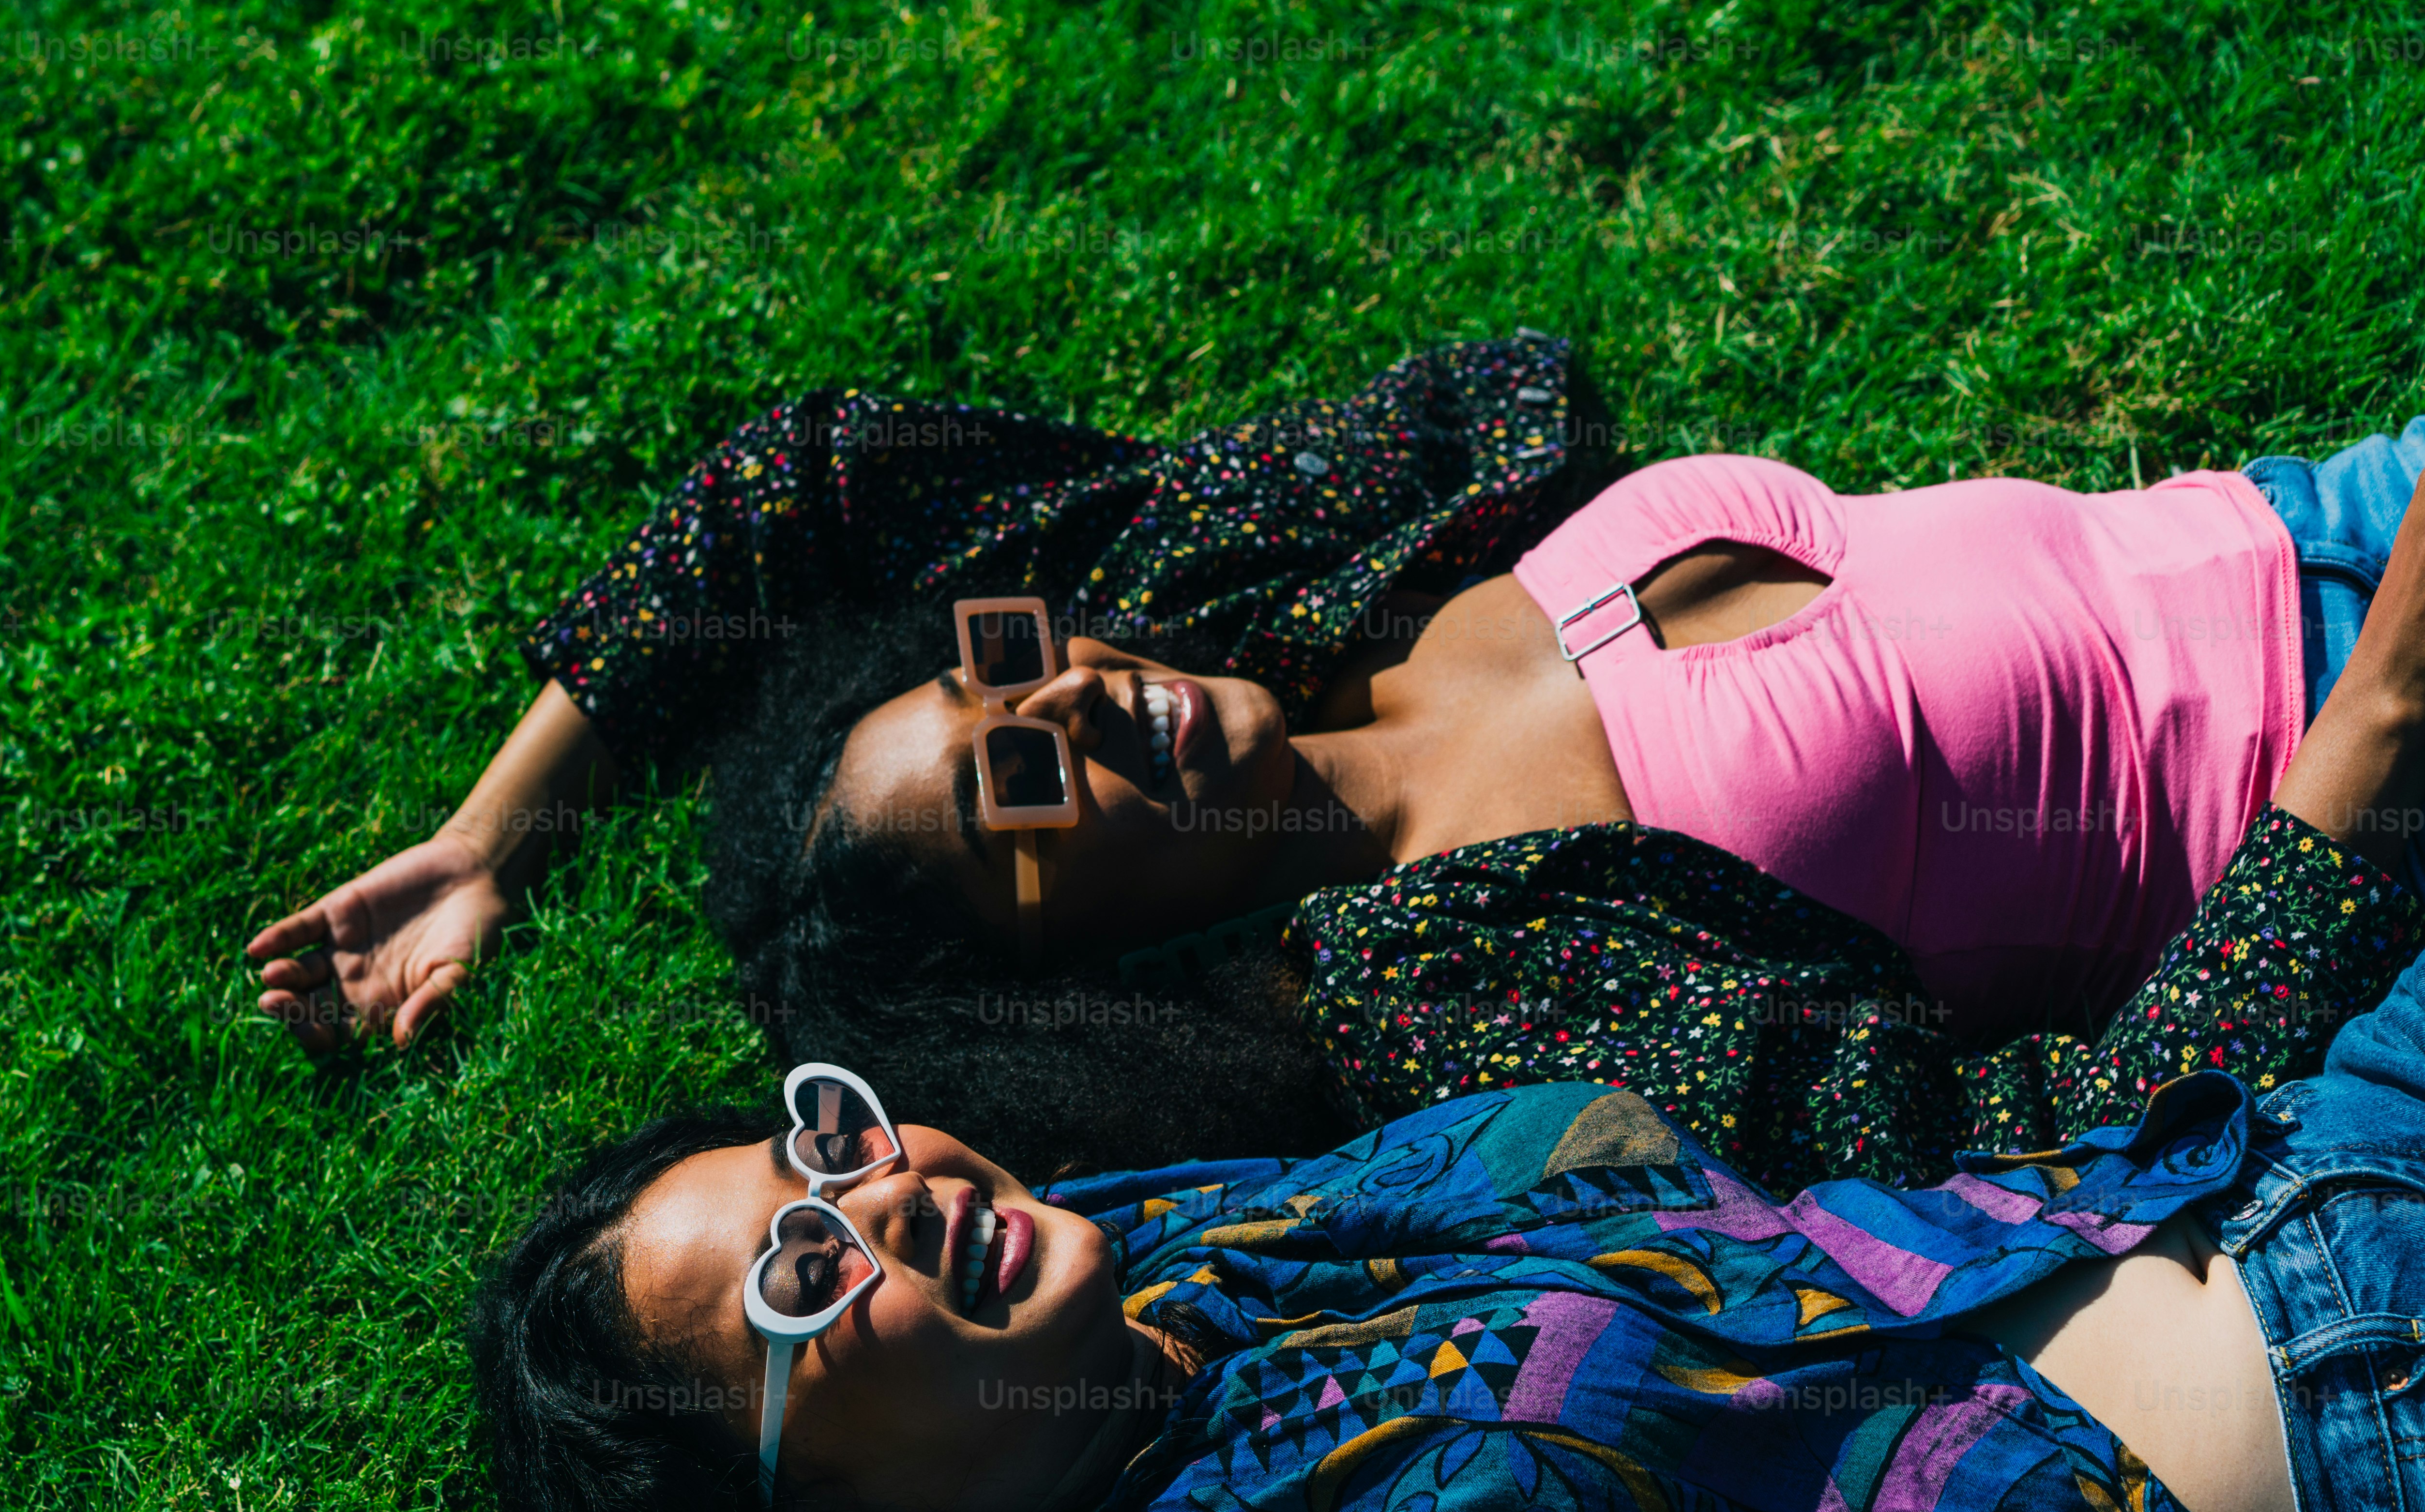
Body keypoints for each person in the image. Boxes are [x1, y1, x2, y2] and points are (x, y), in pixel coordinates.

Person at [423, 549, 2425, 1512]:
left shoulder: (1207, 1256)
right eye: (794, 1276)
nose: (872, 1197)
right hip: (2350, 1492)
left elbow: (829, 481)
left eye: (825, 1147)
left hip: (2287, 1173)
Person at [250, 337, 2425, 1191]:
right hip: (2382, 803)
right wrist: (2371, 742)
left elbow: (807, 482)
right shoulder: (1465, 994)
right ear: (1065, 972)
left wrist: (483, 837)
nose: (1073, 704)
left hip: (2323, 506)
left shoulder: (1311, 597)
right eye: (1023, 789)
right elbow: (2078, 1142)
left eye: (1004, 673)